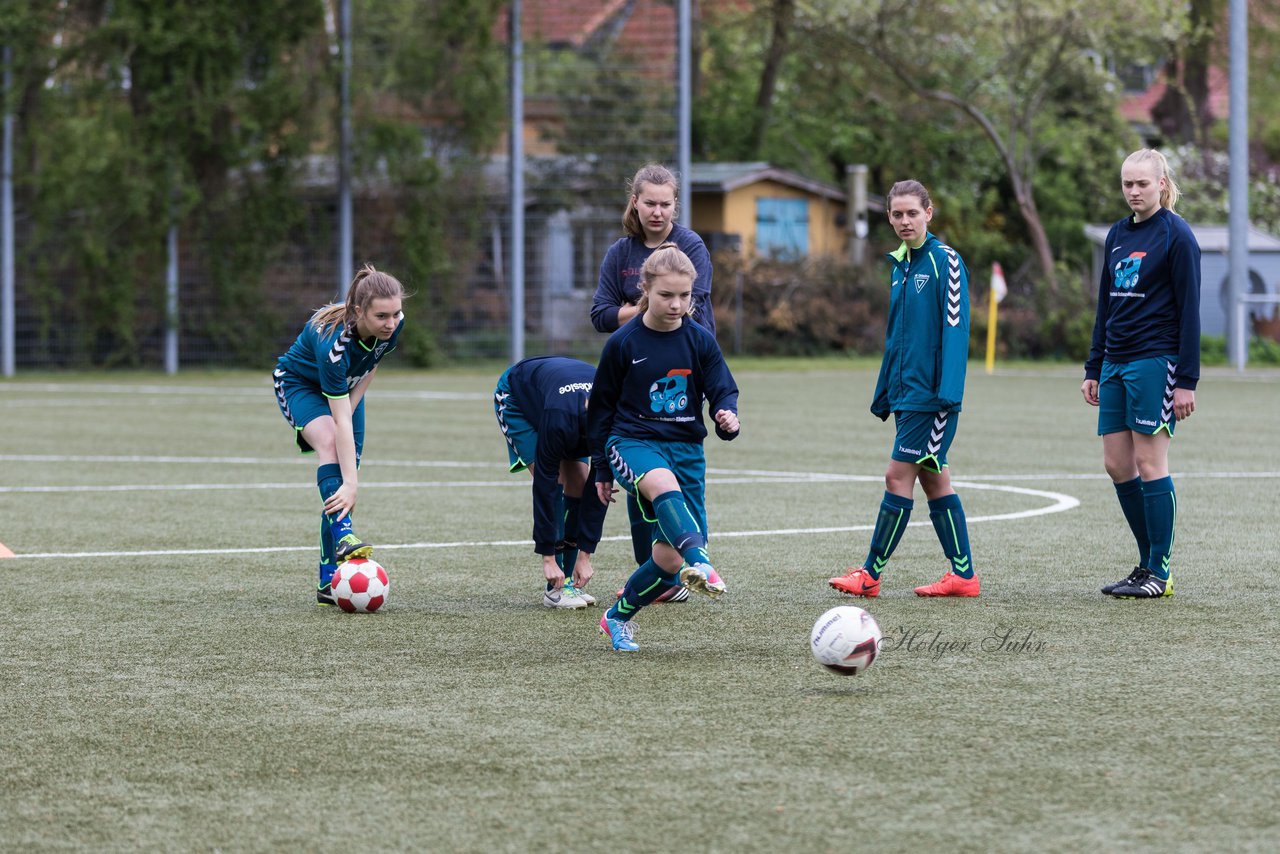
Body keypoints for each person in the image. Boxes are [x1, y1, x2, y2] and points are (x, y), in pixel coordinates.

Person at [828, 180, 979, 599]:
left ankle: (870, 574)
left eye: (913, 212)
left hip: (931, 396)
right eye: (897, 214)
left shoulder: (945, 261)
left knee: (898, 476)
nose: (904, 220)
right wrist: (885, 391)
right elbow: (897, 337)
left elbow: (955, 327)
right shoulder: (901, 265)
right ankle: (963, 575)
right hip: (906, 393)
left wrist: (946, 393)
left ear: (929, 212)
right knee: (934, 481)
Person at [590, 243, 740, 652]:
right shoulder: (623, 342)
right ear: (645, 291)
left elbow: (723, 390)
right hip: (632, 440)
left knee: (668, 563)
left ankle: (616, 617)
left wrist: (727, 416)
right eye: (666, 296)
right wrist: (601, 468)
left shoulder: (700, 341)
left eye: (685, 296)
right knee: (660, 483)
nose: (676, 305)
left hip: (686, 450)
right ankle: (703, 561)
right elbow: (601, 409)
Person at [591, 163, 716, 594]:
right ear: (636, 203)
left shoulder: (691, 246)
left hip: (685, 370)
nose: (658, 211)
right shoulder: (620, 253)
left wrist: (648, 305)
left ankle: (682, 558)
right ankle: (657, 572)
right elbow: (600, 315)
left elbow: (689, 305)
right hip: (637, 371)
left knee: (677, 469)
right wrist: (643, 311)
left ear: (674, 205)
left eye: (666, 204)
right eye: (650, 203)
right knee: (645, 475)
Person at [1082, 149, 1200, 599]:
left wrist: (1186, 380)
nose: (1134, 191)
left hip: (1157, 361)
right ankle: (1146, 562)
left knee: (1151, 463)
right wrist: (1095, 365)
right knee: (1116, 464)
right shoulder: (1116, 234)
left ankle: (1160, 571)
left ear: (1162, 185)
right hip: (1114, 360)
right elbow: (1105, 306)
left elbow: (1190, 312)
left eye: (1142, 184)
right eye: (1127, 183)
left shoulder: (1177, 236)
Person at [272, 264, 406, 605]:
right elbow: (339, 425)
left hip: (346, 391)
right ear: (359, 311)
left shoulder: (395, 325)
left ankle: (326, 582)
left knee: (343, 480)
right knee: (333, 449)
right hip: (300, 385)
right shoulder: (334, 346)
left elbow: (372, 363)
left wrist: (349, 404)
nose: (391, 323)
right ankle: (345, 534)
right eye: (381, 316)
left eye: (396, 313)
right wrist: (352, 483)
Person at [494, 355, 610, 609]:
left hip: (564, 400)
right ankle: (555, 588)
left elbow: (600, 490)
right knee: (557, 479)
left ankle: (569, 582)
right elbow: (545, 487)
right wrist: (548, 558)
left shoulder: (615, 424)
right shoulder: (562, 420)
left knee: (581, 481)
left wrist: (585, 555)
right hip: (518, 398)